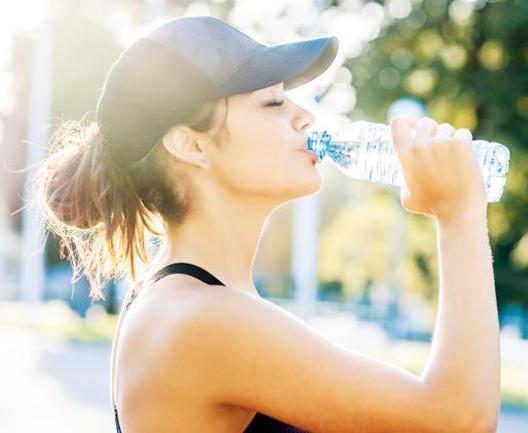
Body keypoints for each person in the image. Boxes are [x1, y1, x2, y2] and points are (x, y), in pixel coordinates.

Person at [37, 15, 500, 433]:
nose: (305, 117)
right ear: (189, 145)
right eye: (274, 104)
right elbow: (456, 420)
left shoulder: (192, 302)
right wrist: (458, 216)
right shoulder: (201, 320)